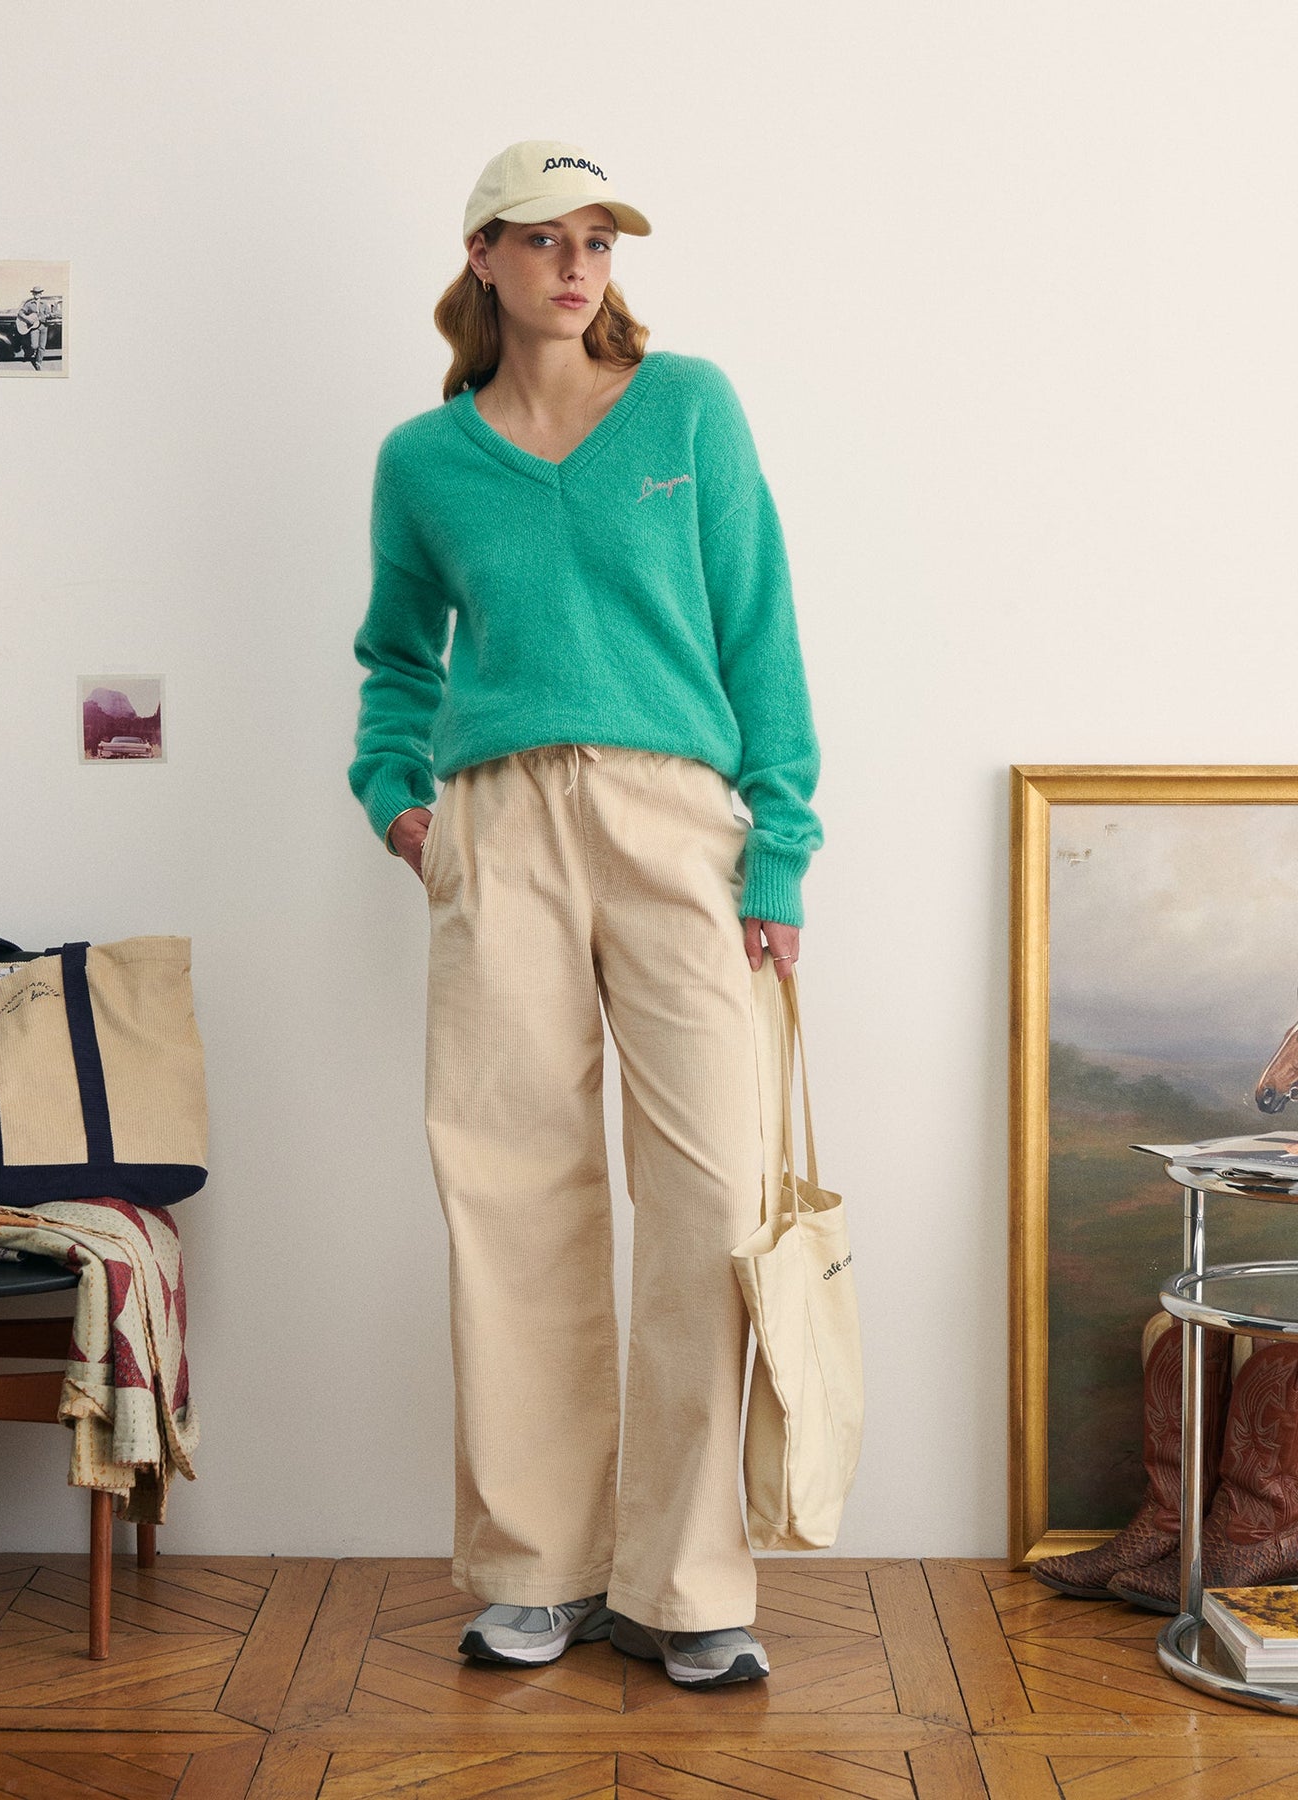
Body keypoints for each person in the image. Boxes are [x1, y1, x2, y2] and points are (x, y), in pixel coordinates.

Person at [347, 138, 823, 1690]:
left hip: (679, 825)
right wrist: (397, 798)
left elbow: (760, 628)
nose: (577, 266)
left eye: (600, 240)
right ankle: (536, 1570)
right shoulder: (424, 461)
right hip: (498, 829)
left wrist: (780, 849)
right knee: (512, 1195)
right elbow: (396, 660)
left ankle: (685, 1583)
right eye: (547, 238)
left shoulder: (688, 408)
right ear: (483, 255)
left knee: (711, 1195)